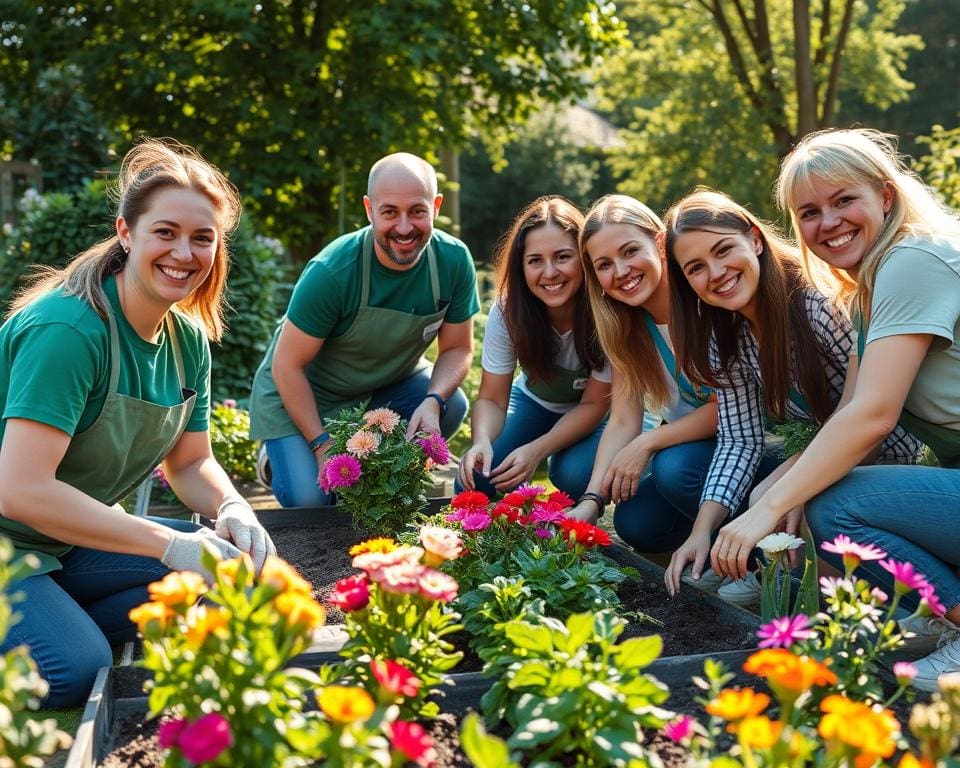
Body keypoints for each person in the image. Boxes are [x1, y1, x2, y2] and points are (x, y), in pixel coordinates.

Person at [0, 139, 275, 707]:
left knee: (215, 573)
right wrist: (167, 544)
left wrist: (230, 506)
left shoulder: (186, 338)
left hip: (64, 542)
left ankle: (45, 616)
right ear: (126, 232)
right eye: (166, 231)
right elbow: (20, 489)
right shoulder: (70, 332)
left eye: (203, 237)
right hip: (9, 537)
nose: (185, 252)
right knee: (75, 668)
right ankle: (49, 628)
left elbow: (192, 462)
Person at [710, 128, 960, 690]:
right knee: (810, 493)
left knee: (837, 509)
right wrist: (768, 496)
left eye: (844, 200)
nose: (829, 223)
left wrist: (764, 512)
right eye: (809, 212)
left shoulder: (913, 261)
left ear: (886, 197)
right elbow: (850, 416)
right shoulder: (871, 290)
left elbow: (873, 417)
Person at [664, 189, 921, 602]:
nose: (715, 272)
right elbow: (739, 438)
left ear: (755, 239)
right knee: (757, 492)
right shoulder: (724, 336)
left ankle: (849, 590)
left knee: (768, 495)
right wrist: (701, 530)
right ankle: (784, 572)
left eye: (723, 249)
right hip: (827, 449)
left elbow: (871, 417)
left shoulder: (819, 303)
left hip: (891, 448)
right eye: (696, 267)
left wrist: (795, 486)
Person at [249, 153, 480, 508]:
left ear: (435, 206)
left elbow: (458, 349)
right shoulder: (332, 271)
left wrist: (433, 401)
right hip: (303, 394)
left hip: (380, 389)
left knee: (452, 404)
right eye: (389, 212)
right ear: (369, 209)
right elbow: (287, 367)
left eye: (417, 211)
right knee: (314, 502)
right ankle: (276, 456)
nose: (404, 227)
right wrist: (322, 447)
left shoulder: (452, 260)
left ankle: (380, 478)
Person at [564, 195, 722, 590]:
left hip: (755, 445)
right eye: (604, 265)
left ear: (660, 242)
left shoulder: (706, 302)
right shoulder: (627, 327)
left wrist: (649, 442)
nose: (621, 271)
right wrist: (591, 500)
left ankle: (750, 556)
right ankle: (706, 545)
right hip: (700, 450)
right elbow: (622, 419)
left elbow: (729, 409)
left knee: (673, 467)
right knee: (637, 522)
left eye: (630, 251)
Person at [456, 197, 610, 499]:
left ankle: (570, 465)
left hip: (600, 413)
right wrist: (482, 441)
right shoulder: (508, 311)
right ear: (521, 266)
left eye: (563, 257)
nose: (549, 272)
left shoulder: (606, 310)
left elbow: (594, 404)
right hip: (535, 403)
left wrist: (538, 449)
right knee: (476, 478)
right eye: (535, 260)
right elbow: (492, 398)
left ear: (584, 258)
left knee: (573, 474)